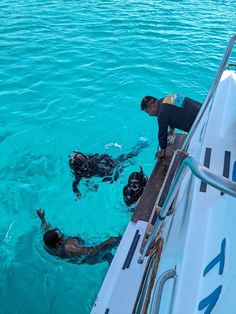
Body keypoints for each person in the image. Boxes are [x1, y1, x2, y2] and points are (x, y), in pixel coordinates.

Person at [37, 209, 121, 265]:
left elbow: (46, 229)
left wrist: (42, 218)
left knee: (108, 257)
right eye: (61, 235)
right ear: (59, 242)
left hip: (79, 256)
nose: (62, 234)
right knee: (115, 241)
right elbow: (92, 251)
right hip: (91, 257)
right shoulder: (70, 248)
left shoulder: (48, 244)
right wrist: (106, 242)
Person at [69, 139, 149, 198]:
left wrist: (111, 162)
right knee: (110, 179)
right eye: (84, 167)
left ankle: (140, 146)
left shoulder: (90, 160)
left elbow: (104, 155)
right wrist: (77, 193)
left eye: (86, 164)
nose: (87, 167)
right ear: (79, 168)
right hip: (100, 174)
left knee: (124, 159)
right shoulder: (78, 173)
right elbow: (75, 185)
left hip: (104, 166)